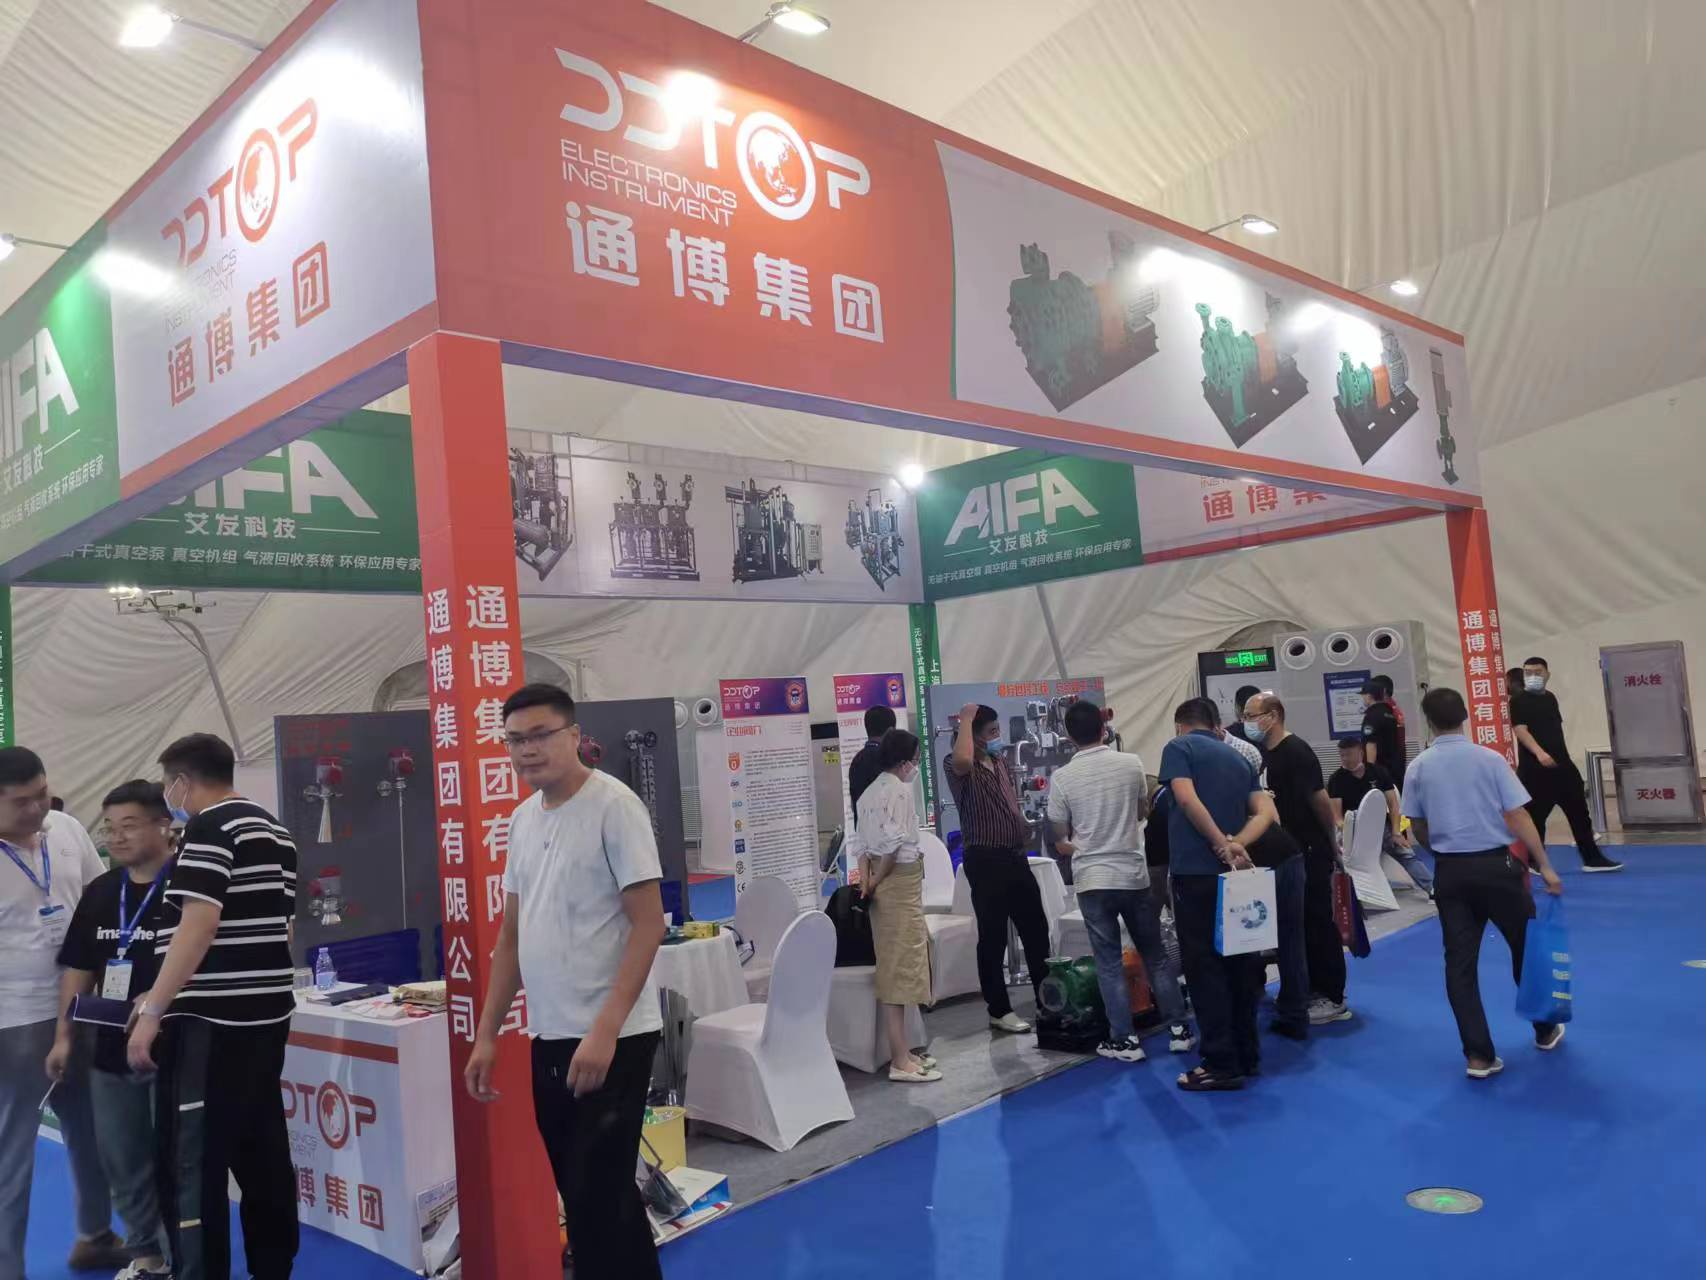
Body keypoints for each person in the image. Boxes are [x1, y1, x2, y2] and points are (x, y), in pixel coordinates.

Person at [465, 684, 666, 1279]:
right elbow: (511, 938)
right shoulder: (523, 820)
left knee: (595, 1200)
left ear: (574, 735)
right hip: (551, 1033)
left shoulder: (614, 806)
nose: (527, 750)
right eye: (514, 740)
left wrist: (606, 1030)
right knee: (591, 1197)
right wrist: (487, 1035)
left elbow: (649, 924)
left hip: (613, 1037)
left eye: (540, 735)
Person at [127, 733, 299, 1280]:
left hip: (208, 1024)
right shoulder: (275, 830)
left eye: (167, 785)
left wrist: (153, 1010)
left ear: (182, 781)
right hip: (264, 1017)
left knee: (191, 1166)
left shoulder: (210, 827)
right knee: (261, 1153)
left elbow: (198, 925)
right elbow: (282, 927)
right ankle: (273, 1268)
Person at [0, 749, 126, 1280]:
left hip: (83, 1006)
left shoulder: (67, 829)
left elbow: (104, 900)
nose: (36, 808)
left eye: (42, 794)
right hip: (15, 1019)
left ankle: (95, 1237)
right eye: (21, 802)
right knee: (13, 1151)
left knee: (92, 1131)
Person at [1402, 688, 1566, 1078]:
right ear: (1464, 716)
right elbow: (1519, 816)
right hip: (1497, 868)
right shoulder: (1490, 760)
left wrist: (1441, 850)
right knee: (1526, 950)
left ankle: (1478, 1055)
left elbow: (1416, 825)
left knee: (1459, 965)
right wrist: (1544, 865)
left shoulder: (1418, 767)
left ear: (1429, 721)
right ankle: (1544, 1029)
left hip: (1451, 873)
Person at [50, 781, 176, 1280]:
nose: (116, 837)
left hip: (176, 1047)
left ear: (164, 826)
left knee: (177, 1158)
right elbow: (80, 967)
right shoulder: (102, 892)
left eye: (129, 826)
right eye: (109, 828)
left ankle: (184, 1255)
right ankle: (147, 1257)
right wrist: (64, 1037)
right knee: (123, 1159)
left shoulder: (190, 885)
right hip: (109, 1048)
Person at [1046, 700, 1192, 1063]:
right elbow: (1143, 810)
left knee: (1108, 963)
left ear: (1068, 736)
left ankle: (1124, 1040)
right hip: (1132, 874)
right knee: (1155, 956)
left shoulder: (1062, 777)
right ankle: (1179, 1029)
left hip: (1093, 879)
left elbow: (1060, 836)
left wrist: (1077, 843)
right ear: (1103, 729)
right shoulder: (1131, 763)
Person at [1159, 700, 1274, 1091]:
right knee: (1240, 966)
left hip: (1197, 875)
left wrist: (1219, 844)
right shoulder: (1239, 758)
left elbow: (1186, 798)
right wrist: (1237, 843)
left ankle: (1220, 1063)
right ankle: (1247, 1054)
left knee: (1205, 969)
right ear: (1216, 724)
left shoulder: (1179, 748)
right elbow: (1265, 813)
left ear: (1181, 724)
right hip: (1236, 878)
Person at [1244, 693, 1353, 1025]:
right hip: (1282, 853)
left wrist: (1331, 843)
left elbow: (1319, 801)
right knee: (1295, 927)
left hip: (1308, 848)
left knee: (1318, 922)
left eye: (1252, 715)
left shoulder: (1297, 751)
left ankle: (1332, 995)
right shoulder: (1262, 754)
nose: (1247, 722)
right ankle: (1303, 990)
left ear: (1273, 715)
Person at [944, 703, 1052, 1035]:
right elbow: (963, 760)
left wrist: (1021, 825)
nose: (997, 736)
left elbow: (1009, 800)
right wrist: (965, 718)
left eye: (997, 730)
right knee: (992, 938)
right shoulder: (958, 766)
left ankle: (1048, 999)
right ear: (973, 736)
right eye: (991, 732)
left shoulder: (1000, 760)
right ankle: (999, 1009)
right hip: (985, 859)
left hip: (1015, 855)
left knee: (1036, 930)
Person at [855, 729, 941, 1083]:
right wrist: (876, 880)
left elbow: (862, 848)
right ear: (905, 763)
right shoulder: (899, 792)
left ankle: (904, 1051)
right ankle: (899, 1059)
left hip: (883, 882)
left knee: (899, 964)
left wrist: (867, 881)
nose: (915, 767)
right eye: (916, 761)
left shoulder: (868, 793)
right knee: (900, 970)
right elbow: (891, 849)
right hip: (897, 882)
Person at [1511, 657, 1623, 873]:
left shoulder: (1550, 698)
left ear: (1547, 674)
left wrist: (1561, 758)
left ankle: (1592, 858)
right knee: (1536, 816)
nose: (1532, 676)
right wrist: (1540, 753)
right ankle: (1534, 861)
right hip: (1535, 769)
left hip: (1562, 765)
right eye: (1528, 672)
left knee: (1579, 811)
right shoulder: (1518, 701)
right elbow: (1520, 730)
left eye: (1537, 672)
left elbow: (1555, 732)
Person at [1327, 737, 1435, 897]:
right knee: (1344, 861)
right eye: (1342, 755)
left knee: (1405, 853)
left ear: (1360, 753)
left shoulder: (1378, 772)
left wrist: (1396, 832)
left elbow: (1393, 804)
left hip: (1382, 827)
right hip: (1354, 831)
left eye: (1348, 754)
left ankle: (1433, 890)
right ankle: (1356, 897)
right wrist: (1348, 836)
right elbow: (1337, 818)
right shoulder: (1336, 780)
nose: (1345, 759)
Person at [847, 704, 896, 826]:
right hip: (886, 833)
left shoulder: (857, 760)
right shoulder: (887, 760)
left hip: (863, 831)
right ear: (890, 731)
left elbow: (854, 803)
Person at [1360, 676, 1408, 785]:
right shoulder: (1391, 711)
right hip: (1394, 766)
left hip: (1384, 767)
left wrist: (1371, 772)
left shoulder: (1383, 713)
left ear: (1383, 691)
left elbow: (1372, 744)